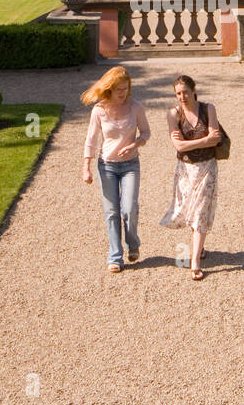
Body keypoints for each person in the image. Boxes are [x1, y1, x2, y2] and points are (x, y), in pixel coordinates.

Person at [81, 67, 151, 271]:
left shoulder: (136, 107)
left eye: (125, 89)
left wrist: (135, 144)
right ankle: (115, 256)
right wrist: (86, 166)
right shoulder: (99, 110)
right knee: (111, 212)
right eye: (118, 89)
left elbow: (146, 133)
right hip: (107, 166)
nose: (122, 93)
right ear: (109, 89)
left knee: (129, 208)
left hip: (130, 165)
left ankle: (133, 243)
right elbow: (91, 140)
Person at [159, 75, 222, 281]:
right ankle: (200, 247)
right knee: (188, 210)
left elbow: (216, 139)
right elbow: (179, 146)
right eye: (178, 93)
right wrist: (204, 140)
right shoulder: (174, 114)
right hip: (185, 170)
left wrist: (190, 143)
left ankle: (194, 261)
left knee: (201, 212)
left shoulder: (208, 109)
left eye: (185, 92)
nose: (182, 97)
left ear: (194, 90)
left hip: (207, 168)